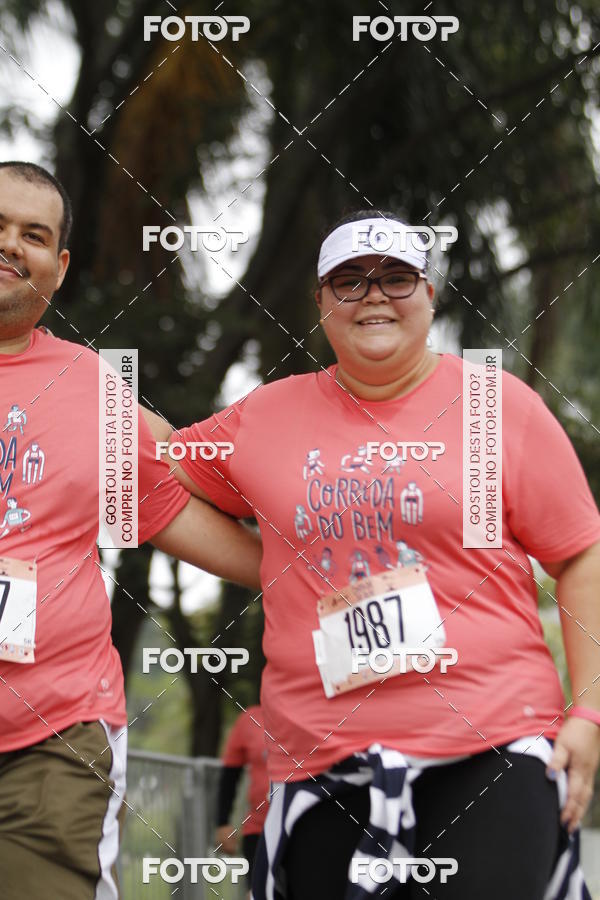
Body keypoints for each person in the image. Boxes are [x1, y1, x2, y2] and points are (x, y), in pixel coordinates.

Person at [145, 210, 600, 899]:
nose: (375, 295)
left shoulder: (497, 407)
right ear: (322, 304)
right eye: (349, 281)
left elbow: (581, 557)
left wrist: (589, 714)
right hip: (321, 756)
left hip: (492, 739)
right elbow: (151, 468)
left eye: (396, 277)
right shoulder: (265, 416)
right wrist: (81, 386)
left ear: (430, 295)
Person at [0, 161, 262, 900]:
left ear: (59, 266)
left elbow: (174, 507)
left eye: (34, 235)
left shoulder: (89, 387)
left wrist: (311, 561)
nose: (13, 246)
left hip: (51, 736)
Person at [215, 704, 270, 894]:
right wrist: (223, 823)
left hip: (303, 827)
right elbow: (230, 775)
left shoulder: (313, 711)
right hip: (259, 829)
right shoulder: (250, 719)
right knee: (256, 893)